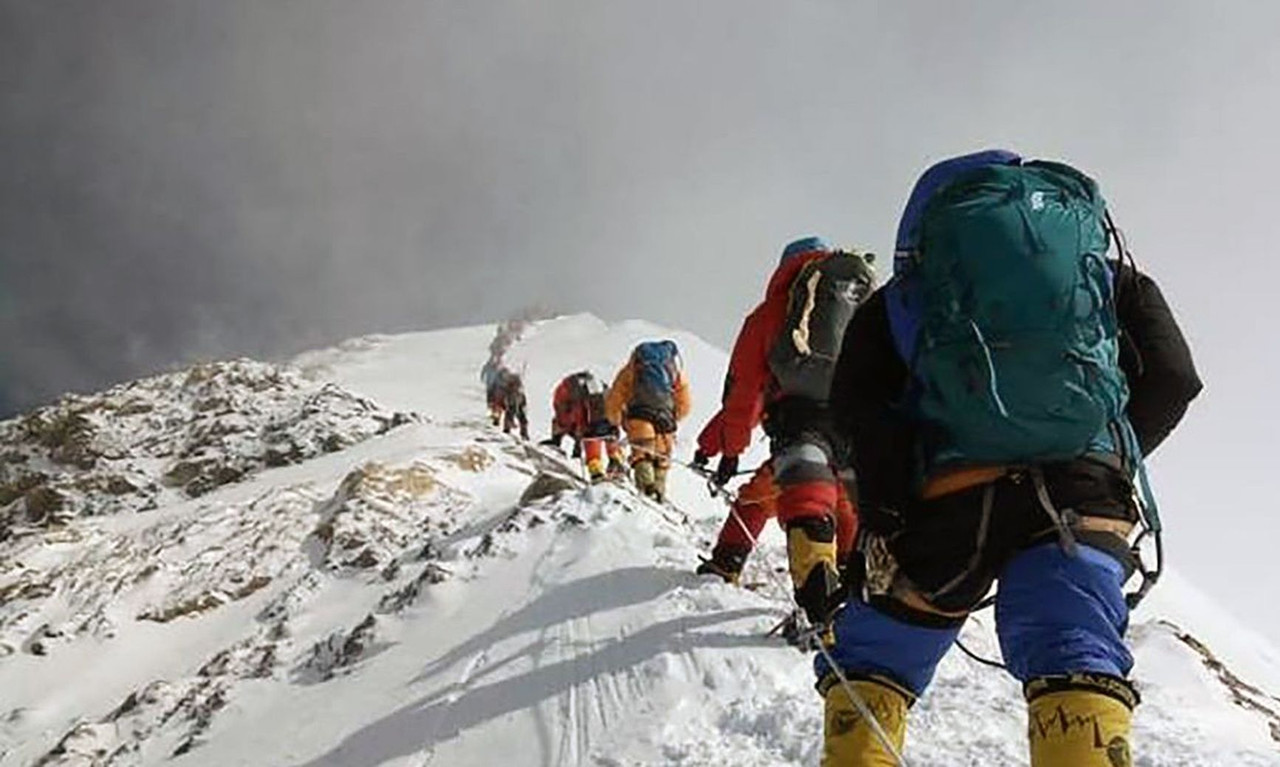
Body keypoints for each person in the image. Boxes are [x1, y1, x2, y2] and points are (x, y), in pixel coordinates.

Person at [819, 151, 1203, 766]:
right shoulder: (1104, 278)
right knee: (1075, 651)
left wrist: (889, 508)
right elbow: (1176, 378)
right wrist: (1108, 459)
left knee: (877, 661)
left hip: (948, 499)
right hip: (1083, 499)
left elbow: (858, 409)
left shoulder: (906, 296)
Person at [692, 236, 873, 592]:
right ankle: (852, 594)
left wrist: (725, 450)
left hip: (800, 422)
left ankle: (731, 564)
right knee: (846, 504)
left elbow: (744, 396)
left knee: (761, 498)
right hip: (856, 425)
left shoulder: (772, 313)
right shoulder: (859, 308)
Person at [604, 340, 692, 502]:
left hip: (639, 417)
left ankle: (646, 490)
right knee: (661, 460)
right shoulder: (675, 372)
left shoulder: (630, 370)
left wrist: (615, 421)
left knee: (642, 455)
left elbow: (615, 398)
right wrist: (673, 418)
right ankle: (658, 494)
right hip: (665, 422)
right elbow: (685, 405)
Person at [541, 370, 625, 482]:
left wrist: (577, 438)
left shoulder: (567, 393)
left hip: (588, 422)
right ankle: (615, 463)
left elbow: (567, 418)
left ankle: (597, 472)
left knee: (592, 439)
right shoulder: (598, 391)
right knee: (607, 437)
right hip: (607, 419)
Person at [487, 367, 529, 440]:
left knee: (521, 418)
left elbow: (522, 398)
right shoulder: (506, 388)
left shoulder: (517, 389)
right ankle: (508, 430)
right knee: (510, 414)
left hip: (517, 402)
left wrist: (523, 403)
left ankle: (523, 433)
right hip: (511, 401)